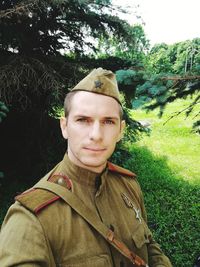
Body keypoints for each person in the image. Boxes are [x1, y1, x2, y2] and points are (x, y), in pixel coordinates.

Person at [0, 68, 172, 266]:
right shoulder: (31, 219)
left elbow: (149, 245)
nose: (96, 135)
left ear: (120, 131)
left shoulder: (129, 185)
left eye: (108, 121)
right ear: (64, 127)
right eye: (83, 120)